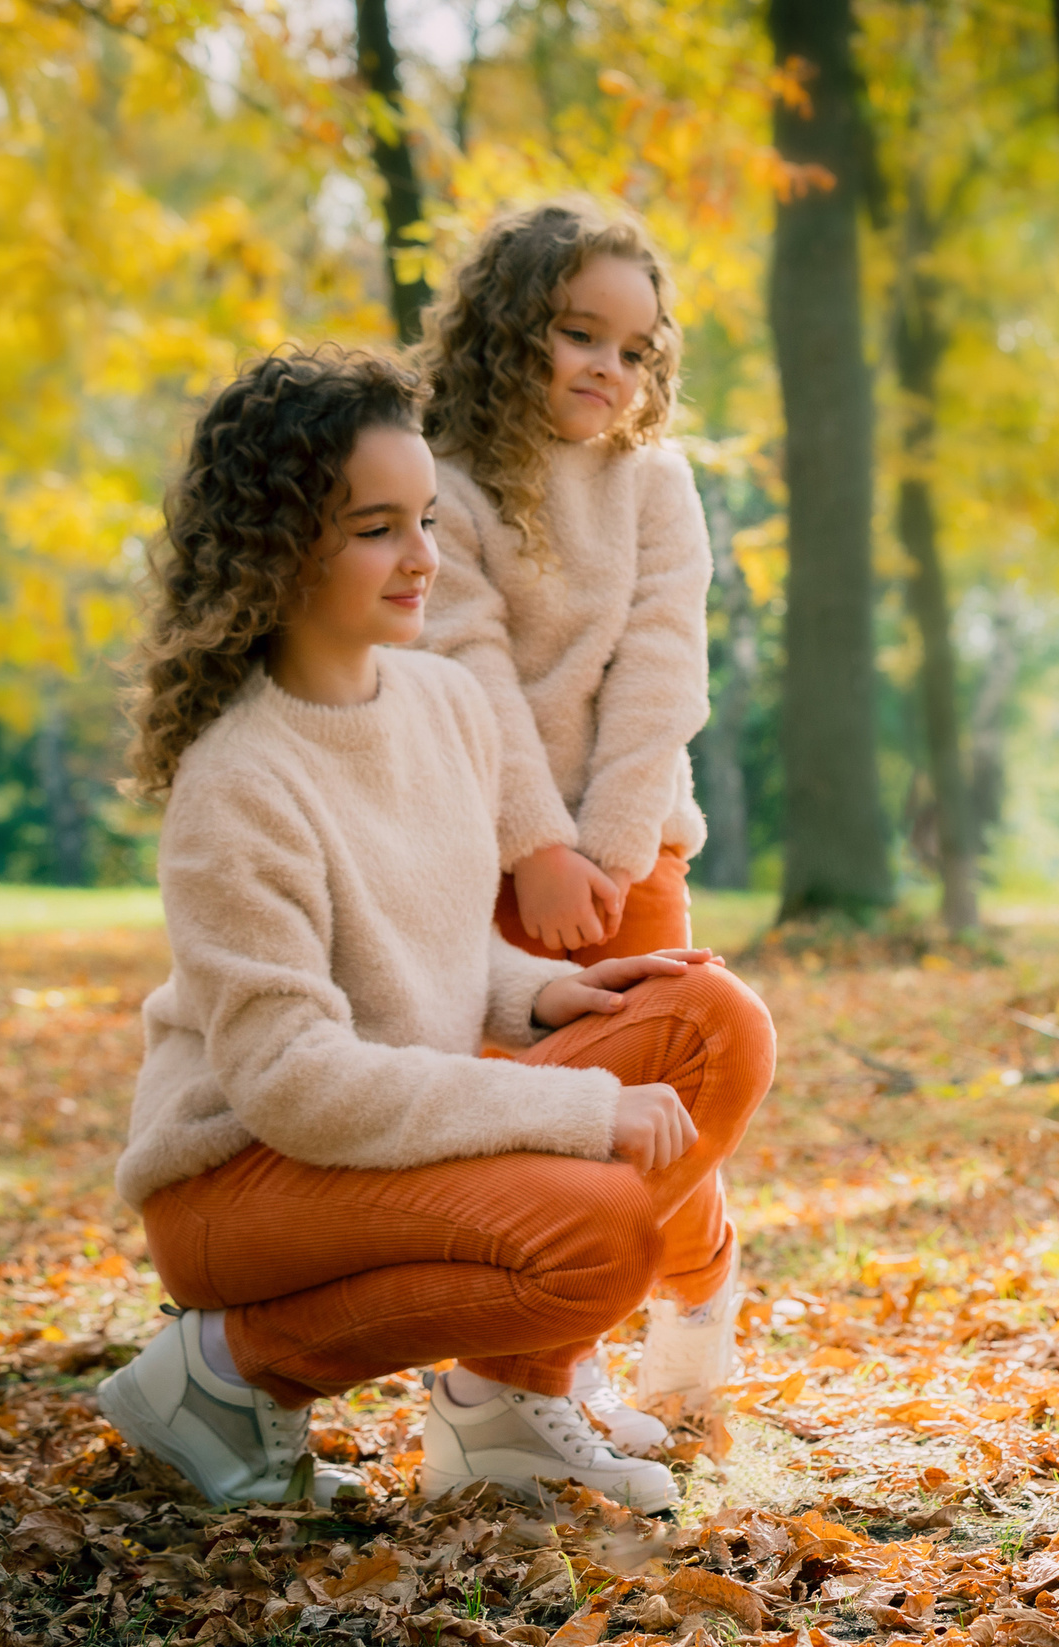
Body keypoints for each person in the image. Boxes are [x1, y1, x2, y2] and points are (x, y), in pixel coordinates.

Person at [97, 350, 773, 1514]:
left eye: (423, 517)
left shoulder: (444, 704)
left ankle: (506, 1409)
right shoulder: (240, 781)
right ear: (278, 546)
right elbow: (295, 1082)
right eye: (376, 528)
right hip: (239, 1176)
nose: (423, 555)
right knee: (602, 1229)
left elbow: (438, 938)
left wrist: (534, 995)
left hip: (365, 1123)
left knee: (714, 1020)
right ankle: (222, 1370)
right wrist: (577, 1107)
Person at [412, 201, 732, 1449]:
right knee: (536, 1122)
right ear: (508, 333)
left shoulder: (653, 480)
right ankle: (547, 1374)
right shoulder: (443, 480)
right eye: (577, 333)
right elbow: (462, 658)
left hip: (634, 841)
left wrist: (599, 853)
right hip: (485, 852)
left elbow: (663, 667)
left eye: (637, 347)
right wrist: (530, 847)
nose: (610, 366)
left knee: (665, 1103)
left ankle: (698, 1279)